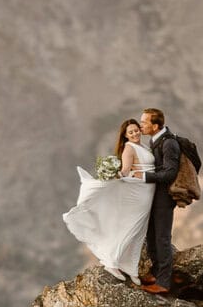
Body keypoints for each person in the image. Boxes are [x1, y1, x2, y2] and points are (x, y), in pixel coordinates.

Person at [62, 117, 155, 283]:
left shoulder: (143, 146)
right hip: (138, 192)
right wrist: (112, 175)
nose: (135, 133)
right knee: (131, 228)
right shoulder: (129, 148)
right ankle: (111, 262)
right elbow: (126, 170)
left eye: (136, 130)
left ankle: (131, 268)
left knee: (139, 231)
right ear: (125, 135)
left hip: (148, 190)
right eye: (131, 132)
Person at [130, 108, 180, 296]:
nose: (140, 125)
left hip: (164, 198)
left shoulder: (169, 144)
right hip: (153, 197)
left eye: (144, 123)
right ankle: (157, 273)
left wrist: (143, 176)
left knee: (162, 238)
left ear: (155, 125)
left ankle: (164, 282)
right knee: (151, 236)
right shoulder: (155, 140)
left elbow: (169, 173)